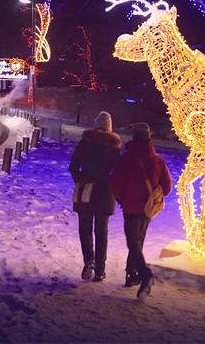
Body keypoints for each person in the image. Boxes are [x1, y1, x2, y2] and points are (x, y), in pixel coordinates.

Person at [111, 122, 172, 299]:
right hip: (148, 208)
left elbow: (116, 183)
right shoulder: (158, 160)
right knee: (138, 241)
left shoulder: (126, 159)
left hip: (130, 206)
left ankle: (144, 275)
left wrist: (121, 198)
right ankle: (132, 275)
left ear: (133, 138)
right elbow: (167, 188)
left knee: (133, 242)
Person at [69, 111, 122, 282]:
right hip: (105, 193)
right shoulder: (114, 147)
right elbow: (119, 172)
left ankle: (89, 261)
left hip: (86, 190)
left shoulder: (85, 142)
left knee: (85, 229)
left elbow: (73, 166)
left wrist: (81, 181)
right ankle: (100, 269)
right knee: (102, 231)